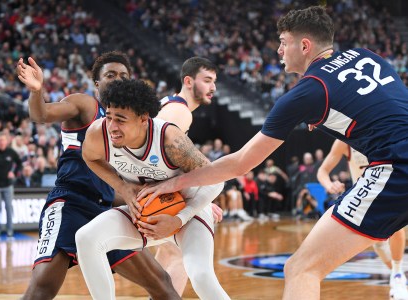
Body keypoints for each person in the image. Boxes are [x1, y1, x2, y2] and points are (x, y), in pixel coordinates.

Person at [137, 6, 408, 299]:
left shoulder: (307, 92)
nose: (278, 49)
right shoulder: (366, 55)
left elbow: (241, 163)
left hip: (396, 168)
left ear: (304, 46)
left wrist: (173, 183)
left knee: (301, 269)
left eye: (283, 41)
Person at [16, 52, 179, 300]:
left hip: (104, 209)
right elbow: (41, 115)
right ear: (97, 84)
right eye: (110, 75)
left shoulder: (131, 124)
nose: (117, 79)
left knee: (162, 284)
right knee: (42, 291)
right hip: (71, 203)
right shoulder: (86, 105)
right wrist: (37, 91)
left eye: (123, 76)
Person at [75, 79, 229, 300]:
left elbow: (216, 180)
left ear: (143, 119)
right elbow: (90, 158)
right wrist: (123, 187)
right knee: (86, 238)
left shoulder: (169, 139)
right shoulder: (99, 134)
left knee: (201, 276)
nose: (112, 126)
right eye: (108, 117)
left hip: (187, 212)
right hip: (144, 214)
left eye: (120, 119)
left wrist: (180, 219)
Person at [154, 56, 223, 295]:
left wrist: (201, 198)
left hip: (159, 190)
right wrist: (195, 198)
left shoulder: (171, 106)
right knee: (181, 260)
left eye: (214, 81)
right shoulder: (180, 112)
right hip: (158, 193)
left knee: (166, 257)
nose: (213, 87)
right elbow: (160, 157)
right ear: (188, 81)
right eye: (207, 80)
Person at [317, 139, 408, 299]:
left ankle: (398, 275)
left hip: (391, 192)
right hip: (366, 199)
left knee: (395, 226)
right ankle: (397, 273)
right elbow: (322, 171)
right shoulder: (344, 142)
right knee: (380, 246)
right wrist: (329, 184)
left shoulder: (389, 131)